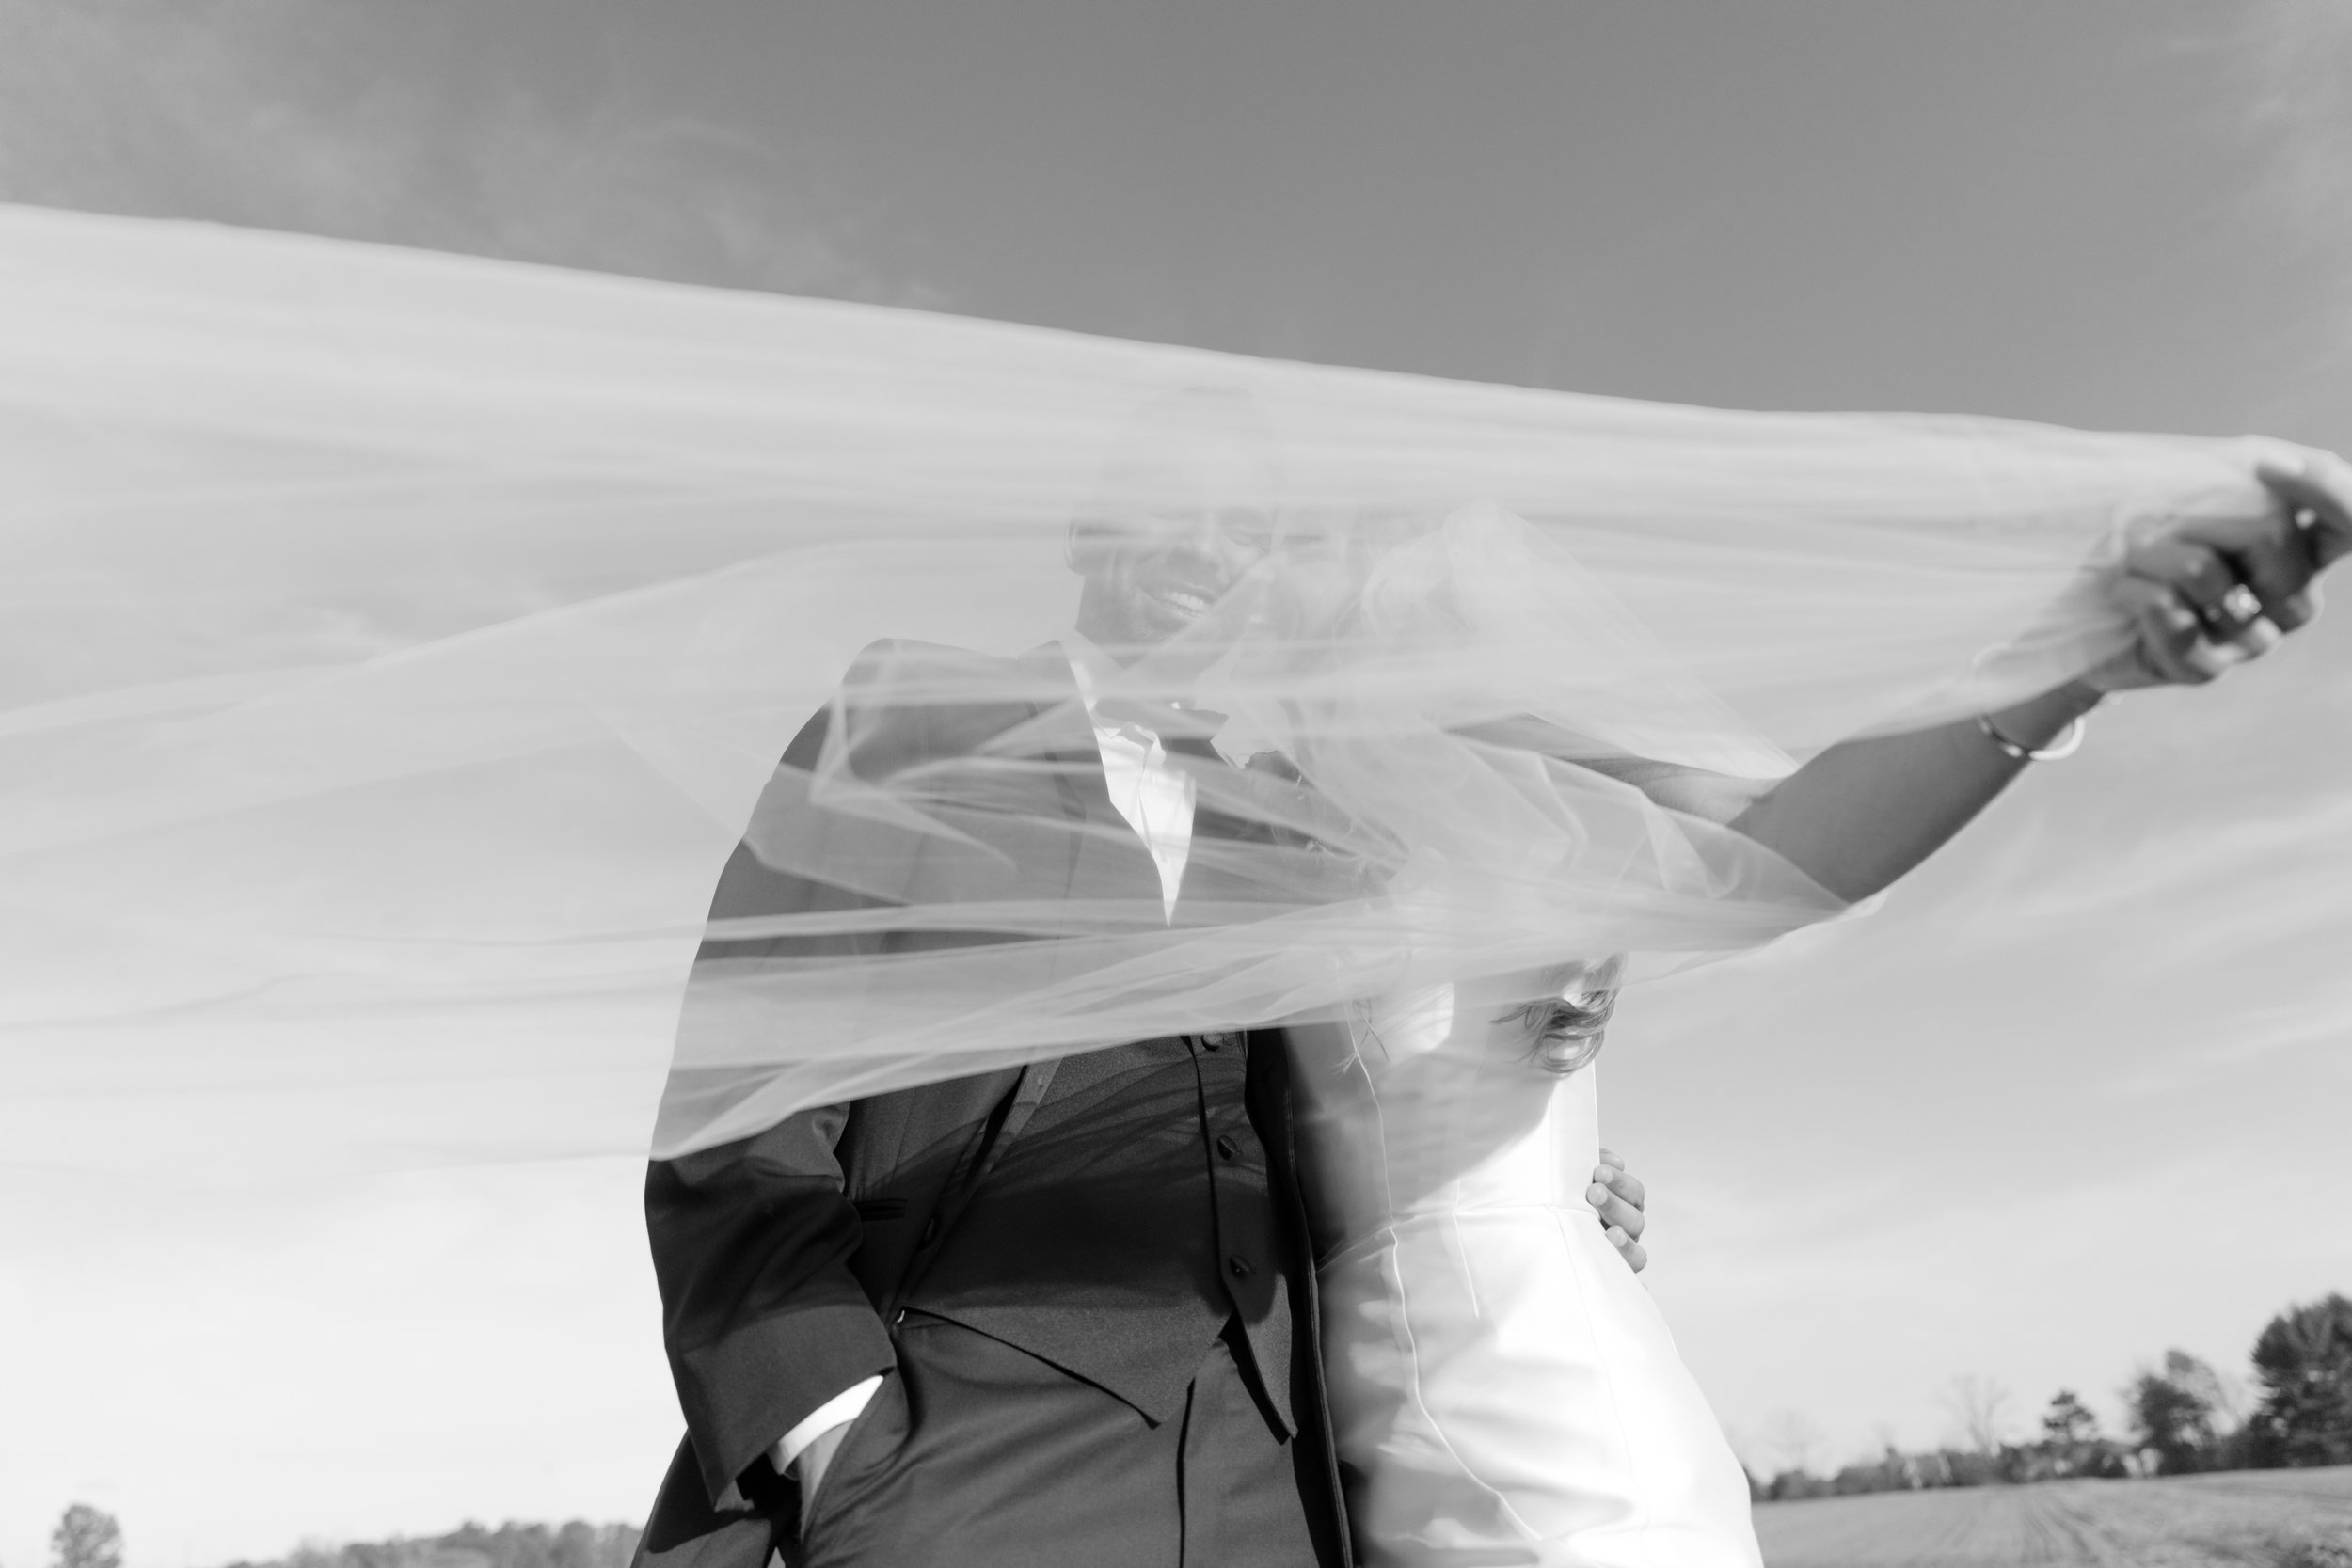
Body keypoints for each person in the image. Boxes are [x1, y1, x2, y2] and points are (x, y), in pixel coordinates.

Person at [629, 407, 1665, 1568]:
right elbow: (740, 1091)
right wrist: (832, 1429)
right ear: (1090, 528)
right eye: (1177, 509)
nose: (1205, 553)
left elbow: (1337, 1126)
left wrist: (1530, 1184)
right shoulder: (917, 716)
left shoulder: (1295, 830)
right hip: (960, 1463)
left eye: (1246, 532)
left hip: (1283, 1487)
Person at [1271, 451, 2350, 1567]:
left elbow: (1775, 843)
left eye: (1262, 543)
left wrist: (2068, 660)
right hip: (1360, 1420)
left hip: (1524, 1409)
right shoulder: (1247, 835)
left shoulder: (1499, 756)